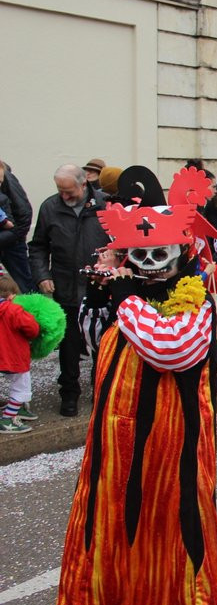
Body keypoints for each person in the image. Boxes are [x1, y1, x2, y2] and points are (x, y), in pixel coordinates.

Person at [51, 165, 217, 605]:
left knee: (170, 518)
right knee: (115, 515)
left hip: (172, 437)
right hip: (118, 433)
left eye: (160, 254)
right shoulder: (127, 294)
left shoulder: (196, 298)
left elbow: (170, 350)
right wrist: (99, 299)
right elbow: (100, 342)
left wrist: (127, 296)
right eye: (140, 253)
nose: (151, 263)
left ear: (180, 254)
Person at [28, 164, 109, 416]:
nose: (64, 196)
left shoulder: (106, 205)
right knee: (69, 344)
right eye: (60, 191)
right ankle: (69, 393)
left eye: (69, 191)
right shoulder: (50, 207)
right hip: (66, 287)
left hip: (100, 288)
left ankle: (101, 390)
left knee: (102, 343)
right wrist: (42, 275)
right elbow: (39, 246)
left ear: (84, 183)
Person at [0, 272, 39, 433]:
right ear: (11, 295)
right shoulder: (14, 310)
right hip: (14, 356)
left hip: (2, 357)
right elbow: (32, 328)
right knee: (22, 387)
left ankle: (17, 408)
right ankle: (8, 419)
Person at [0, 159, 34, 293]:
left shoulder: (7, 179)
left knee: (24, 283)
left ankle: (35, 311)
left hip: (12, 240)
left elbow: (24, 214)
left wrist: (13, 236)